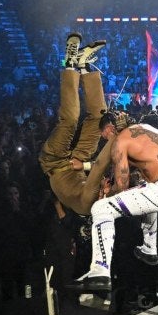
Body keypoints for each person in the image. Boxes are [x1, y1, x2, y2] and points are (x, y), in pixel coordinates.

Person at [66, 120, 158, 292]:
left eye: (105, 137)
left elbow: (121, 185)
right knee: (145, 191)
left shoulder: (121, 140)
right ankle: (149, 249)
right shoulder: (148, 130)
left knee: (101, 208)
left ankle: (99, 273)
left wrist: (107, 196)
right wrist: (84, 166)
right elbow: (110, 164)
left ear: (111, 129)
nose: (106, 143)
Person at [38, 32, 110, 216]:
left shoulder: (88, 207)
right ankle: (83, 65)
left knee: (70, 120)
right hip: (78, 159)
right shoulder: (100, 199)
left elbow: (100, 168)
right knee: (100, 118)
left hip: (55, 161)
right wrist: (85, 166)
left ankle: (69, 63)